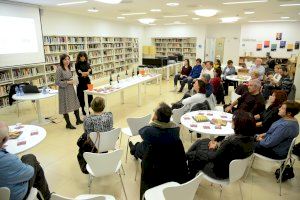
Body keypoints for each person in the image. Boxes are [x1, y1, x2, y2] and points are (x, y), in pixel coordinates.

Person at [128, 103, 188, 198]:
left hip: (154, 165)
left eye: (154, 113)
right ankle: (134, 148)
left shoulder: (150, 132)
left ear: (157, 117)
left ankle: (133, 149)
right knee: (142, 146)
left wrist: (153, 122)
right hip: (171, 162)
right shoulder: (175, 131)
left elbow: (142, 131)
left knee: (140, 146)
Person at [186, 110, 255, 179]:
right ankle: (185, 159)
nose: (232, 121)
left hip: (218, 172)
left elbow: (214, 157)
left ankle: (189, 176)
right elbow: (227, 152)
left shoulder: (231, 142)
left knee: (193, 154)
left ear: (239, 125)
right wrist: (217, 145)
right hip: (231, 169)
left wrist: (213, 148)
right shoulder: (250, 139)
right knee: (203, 141)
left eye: (234, 120)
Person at [0, 121, 51, 200]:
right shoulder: (7, 159)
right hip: (13, 196)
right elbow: (30, 173)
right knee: (32, 160)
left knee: (27, 158)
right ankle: (47, 197)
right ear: (4, 139)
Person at [77, 97, 113, 173]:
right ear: (103, 106)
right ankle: (102, 154)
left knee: (80, 142)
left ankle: (86, 164)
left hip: (93, 145)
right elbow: (110, 127)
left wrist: (91, 114)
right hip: (108, 142)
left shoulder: (88, 119)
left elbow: (87, 133)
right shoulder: (109, 116)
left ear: (92, 107)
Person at [56, 54, 83, 129]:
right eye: (65, 59)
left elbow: (69, 78)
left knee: (75, 103)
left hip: (70, 88)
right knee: (65, 106)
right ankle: (68, 124)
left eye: (68, 59)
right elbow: (57, 82)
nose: (67, 61)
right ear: (62, 60)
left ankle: (78, 120)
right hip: (63, 90)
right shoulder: (59, 69)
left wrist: (73, 80)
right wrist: (67, 82)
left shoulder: (68, 67)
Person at [75, 51, 93, 116]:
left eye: (84, 56)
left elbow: (90, 71)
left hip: (88, 81)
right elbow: (79, 73)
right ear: (79, 57)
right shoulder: (77, 64)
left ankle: (88, 108)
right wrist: (86, 72)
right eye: (81, 57)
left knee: (90, 95)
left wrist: (86, 72)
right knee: (81, 96)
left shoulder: (87, 63)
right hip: (81, 82)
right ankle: (83, 109)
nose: (83, 58)